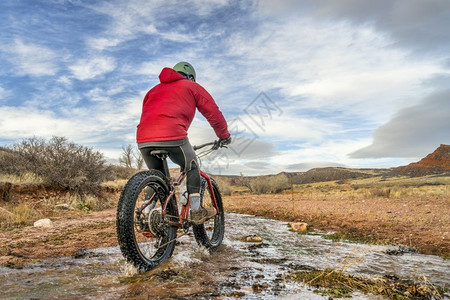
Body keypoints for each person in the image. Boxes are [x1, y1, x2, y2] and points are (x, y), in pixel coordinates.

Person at [137, 62, 231, 225]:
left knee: (158, 177)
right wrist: (224, 136)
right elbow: (213, 113)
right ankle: (196, 211)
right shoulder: (191, 86)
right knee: (192, 165)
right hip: (173, 135)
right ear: (191, 77)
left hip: (144, 138)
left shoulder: (152, 91)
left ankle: (147, 215)